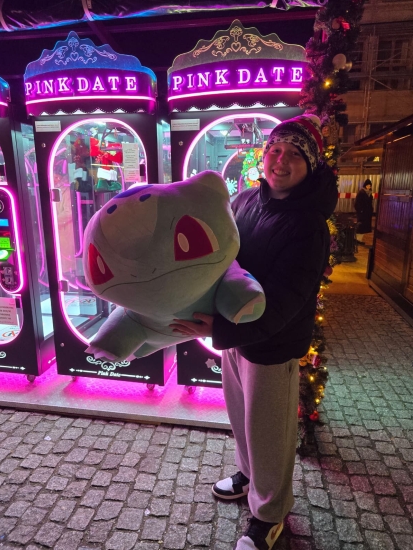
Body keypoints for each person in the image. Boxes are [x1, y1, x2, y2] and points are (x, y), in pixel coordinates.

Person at [170, 115, 338, 550]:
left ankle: (269, 513)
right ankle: (248, 475)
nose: (280, 160)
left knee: (270, 433)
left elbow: (286, 301)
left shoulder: (309, 225)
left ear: (310, 166)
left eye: (294, 154)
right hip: (235, 337)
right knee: (242, 418)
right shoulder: (247, 199)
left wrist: (222, 327)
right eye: (275, 150)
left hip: (272, 346)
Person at [354, 179, 373, 244]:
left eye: (370, 186)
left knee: (364, 228)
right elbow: (357, 203)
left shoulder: (369, 193)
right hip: (362, 214)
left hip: (367, 213)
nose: (369, 187)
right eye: (367, 185)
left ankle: (359, 240)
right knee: (360, 227)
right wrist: (360, 211)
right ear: (365, 185)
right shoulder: (361, 193)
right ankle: (357, 240)